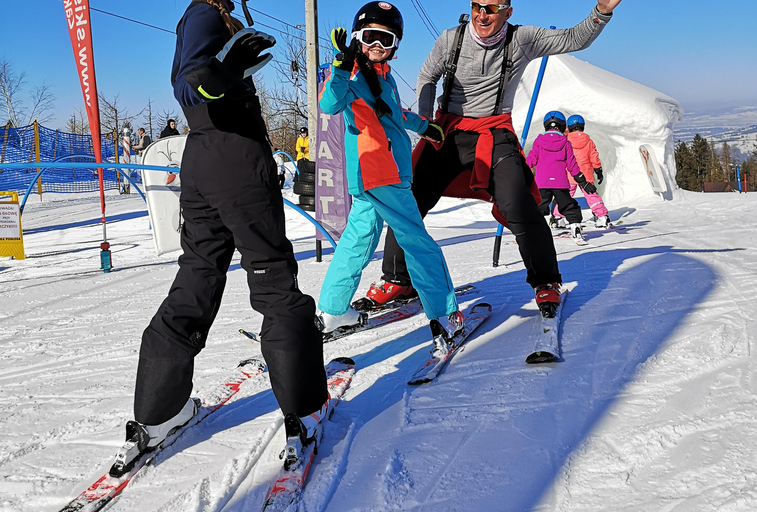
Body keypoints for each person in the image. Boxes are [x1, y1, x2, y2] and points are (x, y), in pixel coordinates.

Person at [120, 0, 328, 469]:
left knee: (197, 273)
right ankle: (304, 410)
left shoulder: (204, 16)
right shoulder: (206, 15)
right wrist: (219, 72)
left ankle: (160, 411)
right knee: (273, 276)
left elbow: (194, 82)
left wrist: (221, 71)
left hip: (202, 161)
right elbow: (191, 83)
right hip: (235, 160)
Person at [366, 0, 622, 318]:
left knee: (518, 204)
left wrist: (601, 12)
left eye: (490, 7)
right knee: (409, 199)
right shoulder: (451, 39)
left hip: (493, 132)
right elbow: (428, 77)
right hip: (448, 129)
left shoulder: (522, 38)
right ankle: (398, 279)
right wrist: (425, 119)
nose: (481, 14)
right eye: (476, 6)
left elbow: (572, 39)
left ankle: (546, 282)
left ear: (507, 12)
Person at [316, 1, 463, 344]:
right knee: (417, 241)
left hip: (374, 177)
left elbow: (394, 115)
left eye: (386, 40)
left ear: (395, 46)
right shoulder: (350, 74)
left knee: (357, 241)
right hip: (382, 173)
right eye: (370, 37)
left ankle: (334, 310)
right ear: (357, 37)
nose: (377, 47)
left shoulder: (384, 78)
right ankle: (444, 313)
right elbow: (329, 104)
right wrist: (339, 66)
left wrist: (425, 126)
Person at [527, 111, 597, 242]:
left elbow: (532, 159)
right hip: (560, 182)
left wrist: (519, 168)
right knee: (569, 206)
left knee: (539, 206)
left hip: (542, 182)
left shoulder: (539, 140)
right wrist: (583, 181)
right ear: (562, 125)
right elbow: (572, 165)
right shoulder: (565, 142)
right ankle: (575, 227)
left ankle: (534, 231)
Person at [558, 114, 611, 228]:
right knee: (592, 195)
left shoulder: (566, 140)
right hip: (586, 174)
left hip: (570, 174)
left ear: (569, 127)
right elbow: (594, 157)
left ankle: (558, 218)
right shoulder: (589, 141)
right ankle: (602, 217)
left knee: (565, 196)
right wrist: (598, 170)